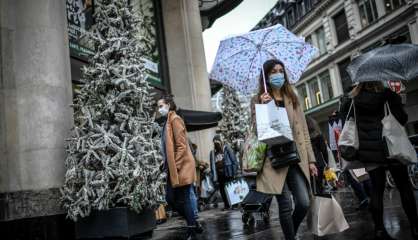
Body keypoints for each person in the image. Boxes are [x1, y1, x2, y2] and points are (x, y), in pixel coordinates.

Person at [341, 81, 418, 240]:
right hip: (392, 149)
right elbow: (402, 119)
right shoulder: (388, 95)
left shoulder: (353, 101)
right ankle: (415, 227)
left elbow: (347, 124)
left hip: (369, 153)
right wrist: (398, 99)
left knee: (376, 190)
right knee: (404, 187)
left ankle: (379, 230)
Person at [251, 59, 318, 240]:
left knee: (303, 202)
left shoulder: (292, 97)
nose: (278, 74)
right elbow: (257, 132)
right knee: (285, 204)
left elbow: (303, 130)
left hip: (295, 156)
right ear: (266, 76)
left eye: (281, 71)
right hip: (274, 159)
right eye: (273, 71)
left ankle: (291, 233)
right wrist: (264, 107)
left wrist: (311, 160)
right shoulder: (258, 99)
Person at [158, 94, 202, 240]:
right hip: (173, 167)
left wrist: (175, 166)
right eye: (158, 106)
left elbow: (182, 146)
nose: (159, 109)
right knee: (170, 199)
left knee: (183, 197)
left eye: (161, 106)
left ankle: (191, 229)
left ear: (169, 105)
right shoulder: (167, 121)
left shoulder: (175, 120)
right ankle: (193, 222)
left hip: (180, 166)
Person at [209, 135, 238, 210]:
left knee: (231, 188)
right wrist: (213, 176)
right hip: (219, 174)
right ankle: (227, 205)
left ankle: (235, 204)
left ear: (221, 141)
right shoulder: (212, 153)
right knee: (222, 190)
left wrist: (234, 172)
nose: (216, 144)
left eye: (217, 142)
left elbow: (234, 160)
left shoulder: (227, 148)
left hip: (228, 172)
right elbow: (212, 166)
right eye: (214, 142)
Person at [306, 116, 328, 194]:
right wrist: (327, 162)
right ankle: (322, 201)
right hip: (319, 163)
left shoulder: (305, 137)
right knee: (319, 184)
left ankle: (317, 200)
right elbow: (324, 150)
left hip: (308, 163)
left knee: (312, 186)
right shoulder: (318, 135)